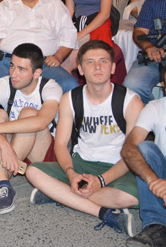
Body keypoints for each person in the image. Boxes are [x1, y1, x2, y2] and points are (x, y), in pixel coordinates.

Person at [26, 40, 143, 237]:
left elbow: (133, 154)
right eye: (90, 62)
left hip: (119, 166)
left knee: (130, 197)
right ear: (80, 69)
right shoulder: (70, 99)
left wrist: (102, 180)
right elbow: (62, 145)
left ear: (113, 67)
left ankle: (62, 195)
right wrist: (71, 173)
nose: (97, 67)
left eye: (103, 61)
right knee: (33, 172)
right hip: (81, 164)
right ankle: (104, 212)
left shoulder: (131, 101)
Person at [0, 43, 62, 215]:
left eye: (22, 69)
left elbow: (41, 122)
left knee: (28, 114)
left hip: (42, 156)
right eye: (12, 66)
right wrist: (4, 144)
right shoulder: (3, 84)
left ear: (36, 73)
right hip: (12, 153)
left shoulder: (50, 87)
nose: (13, 74)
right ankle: (3, 183)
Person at [121, 68, 166, 245]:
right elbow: (128, 148)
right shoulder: (156, 107)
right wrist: (155, 182)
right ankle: (156, 226)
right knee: (144, 149)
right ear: (163, 84)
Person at [122, 0, 166, 104]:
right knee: (132, 85)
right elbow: (140, 31)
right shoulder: (154, 2)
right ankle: (152, 114)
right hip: (156, 56)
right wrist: (149, 47)